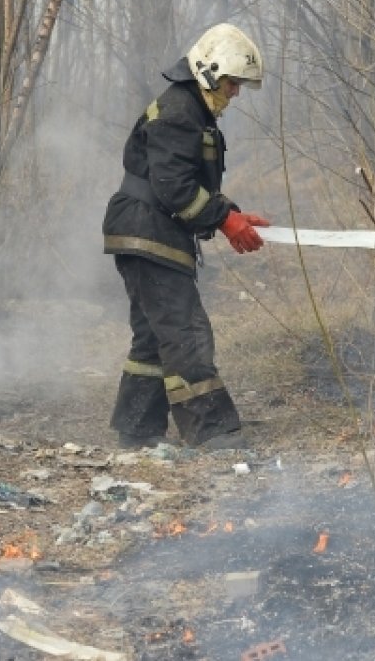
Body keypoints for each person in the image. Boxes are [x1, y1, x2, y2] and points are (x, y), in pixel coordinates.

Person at [102, 23, 270, 450]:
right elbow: (174, 187)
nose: (235, 93)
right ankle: (212, 432)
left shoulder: (189, 110)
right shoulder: (179, 111)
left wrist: (229, 214)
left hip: (148, 231)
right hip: (148, 232)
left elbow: (185, 184)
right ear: (210, 73)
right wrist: (222, 219)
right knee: (184, 330)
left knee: (154, 333)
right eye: (233, 83)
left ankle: (137, 428)